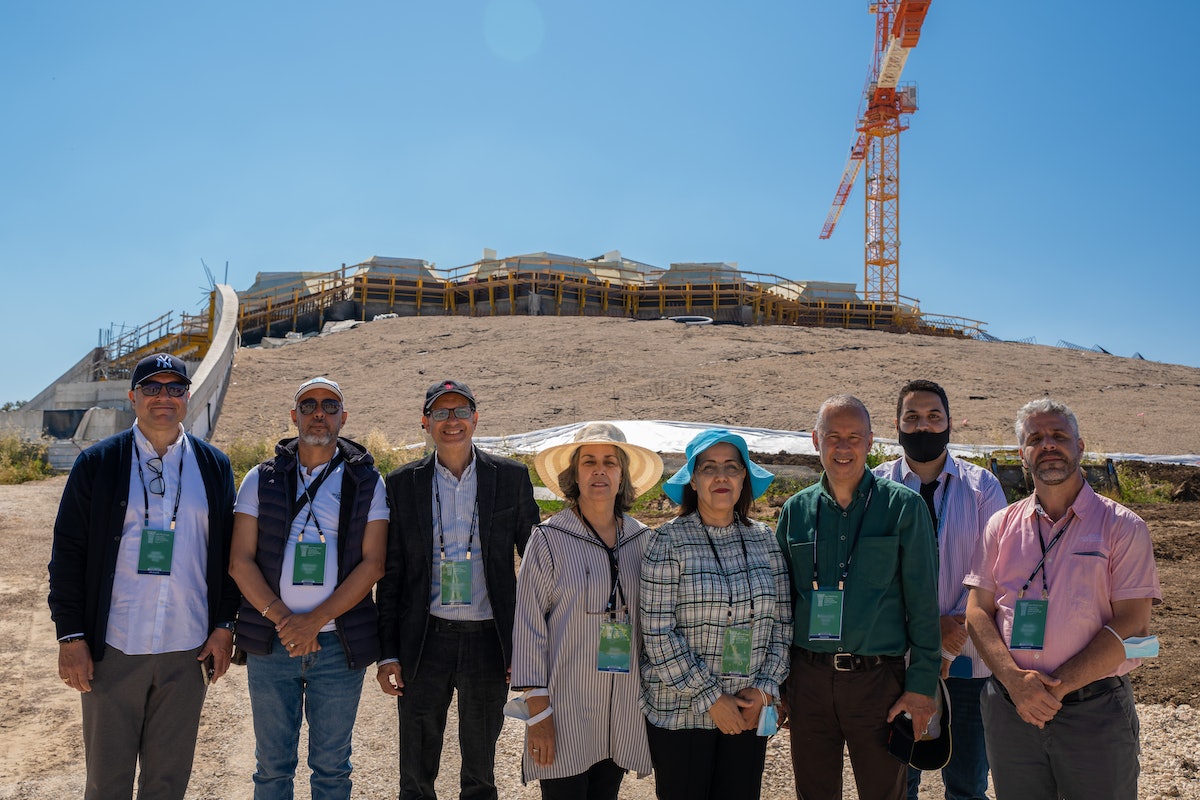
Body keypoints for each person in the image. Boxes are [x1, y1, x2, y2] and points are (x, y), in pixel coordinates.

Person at [47, 352, 237, 800]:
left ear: (188, 397)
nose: (164, 397)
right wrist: (71, 636)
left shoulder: (213, 466)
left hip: (186, 648)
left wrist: (225, 626)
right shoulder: (98, 463)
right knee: (107, 783)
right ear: (133, 397)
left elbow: (230, 554)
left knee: (168, 784)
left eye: (175, 388)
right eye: (152, 388)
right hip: (113, 647)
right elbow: (68, 553)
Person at [964, 398, 1162, 799]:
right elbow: (977, 613)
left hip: (1095, 712)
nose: (1048, 444)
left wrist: (1053, 690)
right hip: (1011, 709)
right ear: (1022, 455)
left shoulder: (1123, 527)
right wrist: (1016, 685)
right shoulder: (999, 525)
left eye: (1059, 435)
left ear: (1081, 447)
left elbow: (1134, 626)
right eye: (1035, 438)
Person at [376, 379, 540, 800]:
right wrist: (388, 652)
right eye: (442, 413)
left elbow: (538, 566)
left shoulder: (511, 477)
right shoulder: (401, 484)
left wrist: (525, 648)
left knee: (481, 764)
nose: (453, 421)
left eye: (461, 412)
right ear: (425, 422)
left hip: (489, 639)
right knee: (415, 762)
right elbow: (391, 574)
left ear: (475, 419)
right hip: (424, 638)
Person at [228, 376, 388, 800]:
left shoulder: (367, 481)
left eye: (330, 405)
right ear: (294, 415)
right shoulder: (260, 479)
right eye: (309, 404)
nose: (320, 412)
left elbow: (373, 564)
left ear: (344, 417)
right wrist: (286, 622)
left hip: (338, 647)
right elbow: (239, 560)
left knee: (332, 768)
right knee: (271, 767)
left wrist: (314, 622)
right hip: (272, 642)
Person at [776, 395, 941, 800]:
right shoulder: (795, 511)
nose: (843, 447)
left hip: (878, 685)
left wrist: (921, 688)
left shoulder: (904, 507)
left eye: (854, 437)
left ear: (870, 442)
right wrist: (777, 684)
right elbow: (780, 606)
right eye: (833, 436)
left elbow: (923, 607)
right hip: (808, 681)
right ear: (816, 441)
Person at [511, 423, 664, 799]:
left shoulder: (643, 541)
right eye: (589, 462)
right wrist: (538, 714)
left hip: (621, 713)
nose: (600, 471)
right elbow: (529, 629)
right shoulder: (548, 539)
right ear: (574, 475)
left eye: (610, 463)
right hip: (563, 712)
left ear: (622, 475)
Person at [872, 380, 1007, 800]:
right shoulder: (875, 486)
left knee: (967, 784)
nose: (923, 426)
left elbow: (997, 569)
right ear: (897, 424)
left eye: (933, 417)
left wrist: (953, 634)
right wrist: (931, 635)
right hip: (897, 663)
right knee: (898, 782)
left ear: (949, 423)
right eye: (912, 417)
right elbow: (872, 578)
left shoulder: (982, 487)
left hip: (968, 663)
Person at [640, 429, 792, 800]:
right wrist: (710, 699)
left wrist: (765, 690)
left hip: (746, 708)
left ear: (744, 478)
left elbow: (783, 625)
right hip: (681, 714)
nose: (721, 477)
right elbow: (658, 632)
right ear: (693, 480)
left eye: (731, 467)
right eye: (709, 468)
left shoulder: (765, 540)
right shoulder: (668, 541)